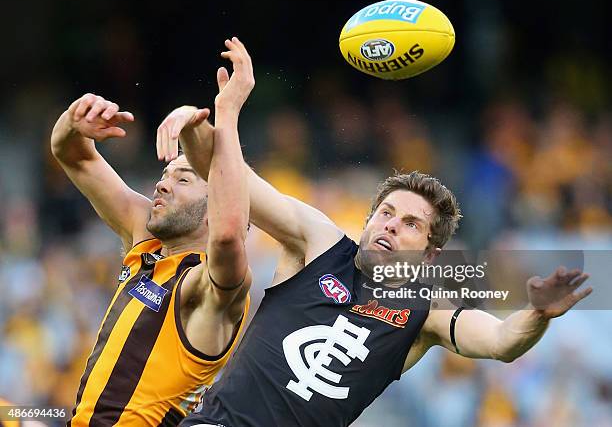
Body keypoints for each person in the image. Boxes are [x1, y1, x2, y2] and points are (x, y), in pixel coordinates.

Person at [172, 40, 594, 427]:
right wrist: (197, 122)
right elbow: (224, 170)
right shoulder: (318, 242)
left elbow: (502, 342)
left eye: (411, 224)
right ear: (369, 219)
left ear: (430, 256)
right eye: (386, 212)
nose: (391, 223)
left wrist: (537, 314)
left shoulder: (425, 312)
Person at [51, 37, 254, 426]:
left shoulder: (207, 288)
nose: (162, 185)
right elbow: (71, 155)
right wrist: (74, 120)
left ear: (218, 205)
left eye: (183, 179)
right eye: (164, 175)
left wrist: (226, 112)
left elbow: (229, 235)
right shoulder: (147, 243)